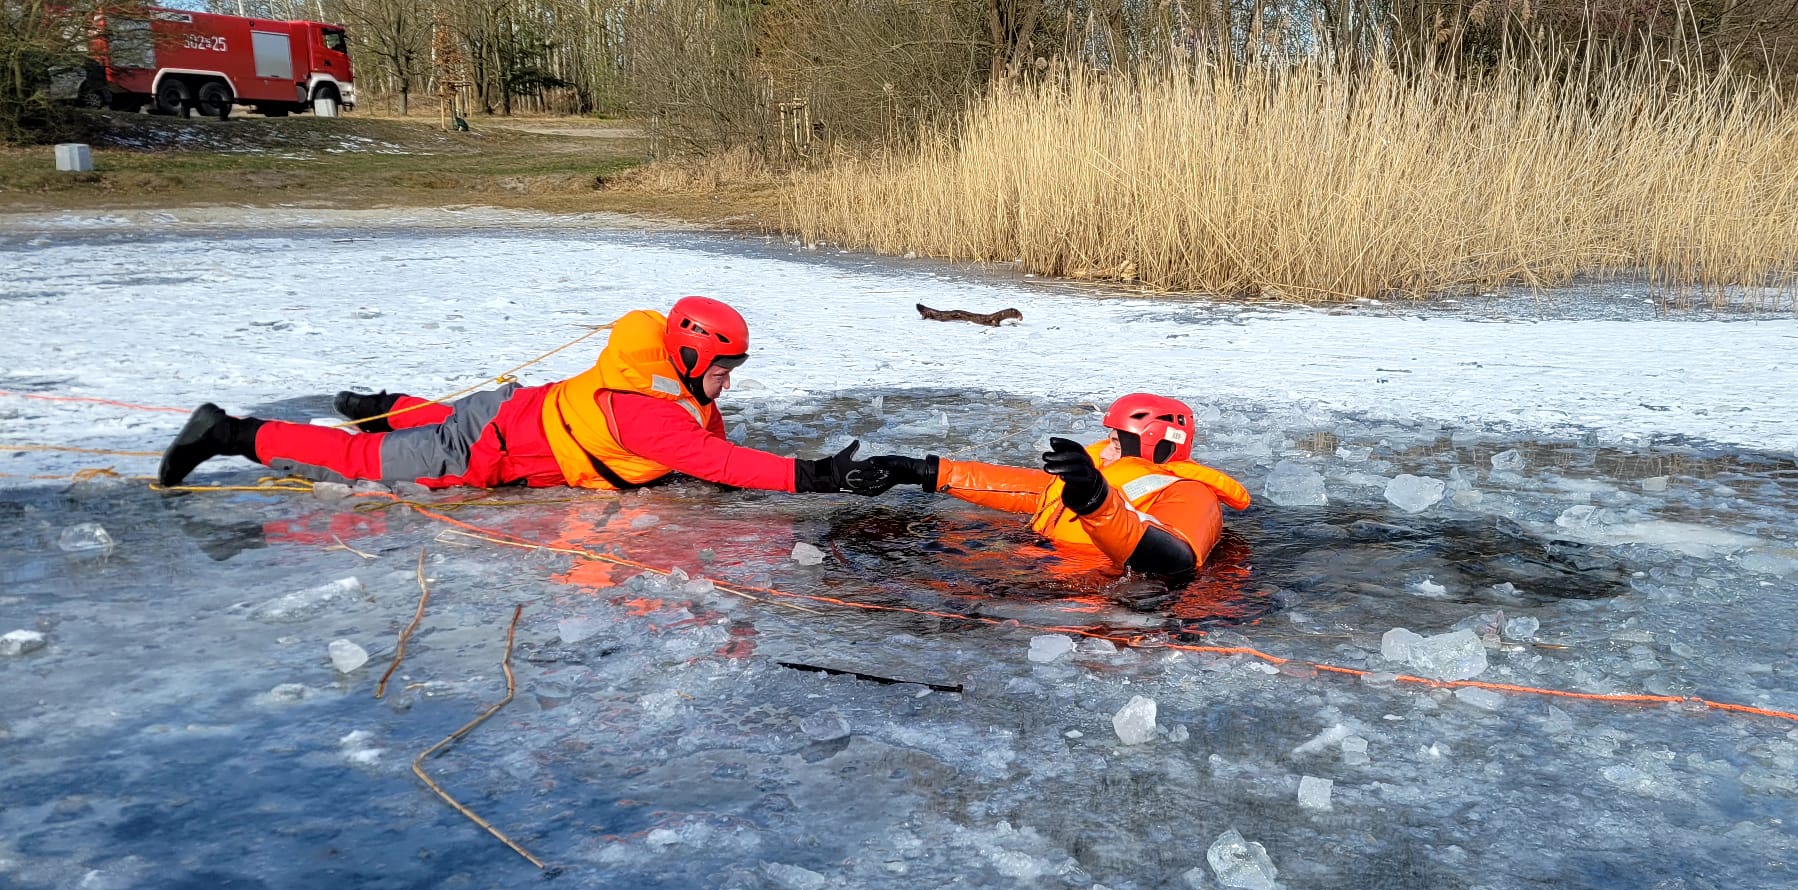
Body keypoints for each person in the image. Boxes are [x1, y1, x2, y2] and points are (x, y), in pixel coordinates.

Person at [156, 296, 894, 497]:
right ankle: (228, 434)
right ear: (692, 355)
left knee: (446, 420)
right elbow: (716, 462)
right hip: (489, 445)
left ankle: (379, 400)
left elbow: (710, 442)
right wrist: (813, 475)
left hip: (513, 411)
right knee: (360, 463)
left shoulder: (663, 379)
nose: (729, 379)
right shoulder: (647, 412)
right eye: (725, 367)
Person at [866, 394, 1250, 578]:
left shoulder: (1191, 493)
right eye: (1111, 437)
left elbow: (1177, 558)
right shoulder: (1102, 474)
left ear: (1159, 443)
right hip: (1043, 568)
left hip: (1104, 598)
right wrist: (925, 472)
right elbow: (1027, 488)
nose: (1108, 447)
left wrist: (1096, 502)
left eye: (1119, 440)